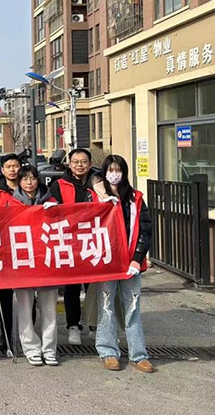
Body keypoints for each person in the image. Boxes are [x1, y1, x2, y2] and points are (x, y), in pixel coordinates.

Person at [93, 155, 154, 373]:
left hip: (131, 263)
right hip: (107, 263)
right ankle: (108, 351)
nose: (114, 174)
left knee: (133, 307)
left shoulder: (136, 198)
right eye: (110, 170)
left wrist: (137, 259)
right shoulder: (96, 196)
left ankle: (139, 354)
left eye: (118, 170)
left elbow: (145, 230)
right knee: (106, 307)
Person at [9, 165, 60, 366]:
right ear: (19, 182)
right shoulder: (11, 203)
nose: (29, 182)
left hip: (47, 262)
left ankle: (49, 349)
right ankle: (31, 348)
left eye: (32, 178)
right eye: (24, 179)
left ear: (38, 180)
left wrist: (53, 213)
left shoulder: (52, 202)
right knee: (25, 308)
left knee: (49, 309)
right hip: (23, 263)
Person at [49, 148, 97, 346]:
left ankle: (94, 325)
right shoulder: (59, 185)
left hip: (93, 240)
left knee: (94, 286)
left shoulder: (98, 183)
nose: (80, 165)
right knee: (72, 287)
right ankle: (73, 325)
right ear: (69, 164)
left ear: (90, 164)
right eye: (76, 161)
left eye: (84, 161)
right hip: (69, 241)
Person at [0, 153, 21, 354]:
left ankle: (26, 336)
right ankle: (6, 335)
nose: (12, 170)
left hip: (24, 250)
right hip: (2, 251)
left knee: (27, 298)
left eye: (15, 166)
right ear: (2, 170)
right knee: (4, 298)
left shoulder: (29, 188)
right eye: (8, 166)